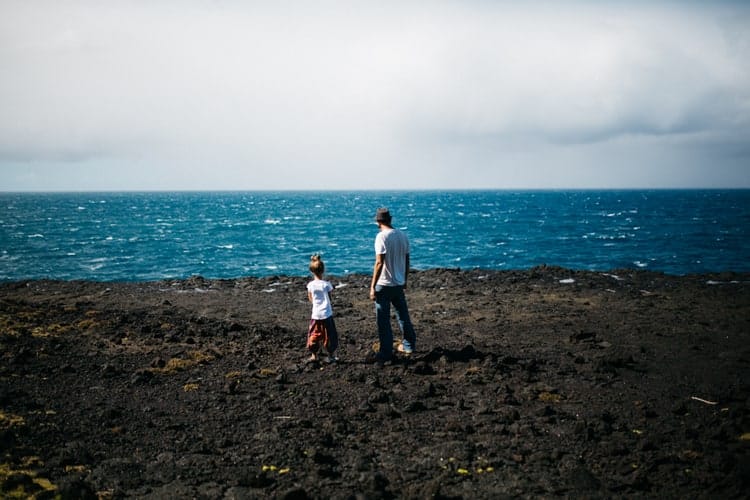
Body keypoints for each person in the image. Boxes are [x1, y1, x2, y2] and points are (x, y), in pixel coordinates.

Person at [368, 207, 416, 363]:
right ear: (390, 219)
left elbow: (379, 262)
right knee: (403, 316)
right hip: (398, 283)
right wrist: (405, 279)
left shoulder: (381, 237)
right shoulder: (402, 235)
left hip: (384, 284)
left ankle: (386, 352)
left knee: (383, 321)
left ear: (378, 221)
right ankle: (408, 345)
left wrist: (372, 286)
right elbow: (407, 260)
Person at [306, 254, 338, 363]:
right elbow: (329, 298)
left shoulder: (310, 285)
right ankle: (331, 355)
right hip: (327, 314)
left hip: (316, 314)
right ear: (323, 270)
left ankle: (314, 355)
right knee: (329, 335)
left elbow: (311, 299)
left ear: (311, 271)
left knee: (314, 334)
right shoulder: (326, 284)